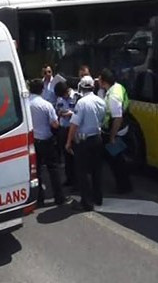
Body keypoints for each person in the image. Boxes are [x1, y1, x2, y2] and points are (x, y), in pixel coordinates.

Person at [66, 75, 106, 211]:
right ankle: (98, 197)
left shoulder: (81, 103)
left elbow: (74, 124)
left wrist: (68, 142)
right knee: (97, 170)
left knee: (83, 172)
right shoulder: (101, 101)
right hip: (97, 139)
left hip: (84, 141)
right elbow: (102, 119)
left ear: (81, 87)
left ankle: (87, 203)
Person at [29, 79, 71, 207]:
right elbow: (55, 124)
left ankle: (39, 198)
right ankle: (59, 198)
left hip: (33, 141)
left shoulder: (25, 104)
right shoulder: (46, 105)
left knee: (37, 171)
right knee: (53, 169)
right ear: (42, 90)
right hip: (46, 140)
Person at [98, 68, 133, 193]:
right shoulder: (117, 87)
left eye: (99, 79)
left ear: (103, 81)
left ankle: (124, 186)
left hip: (116, 132)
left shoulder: (113, 96)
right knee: (117, 160)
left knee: (117, 161)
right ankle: (123, 185)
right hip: (120, 129)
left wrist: (112, 137)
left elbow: (117, 118)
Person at [54, 81, 81, 188]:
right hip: (63, 129)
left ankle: (78, 181)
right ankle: (69, 178)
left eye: (63, 95)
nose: (63, 97)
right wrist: (60, 113)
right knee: (66, 156)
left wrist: (71, 114)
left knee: (75, 156)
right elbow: (57, 110)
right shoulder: (60, 98)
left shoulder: (77, 97)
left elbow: (81, 113)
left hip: (73, 129)